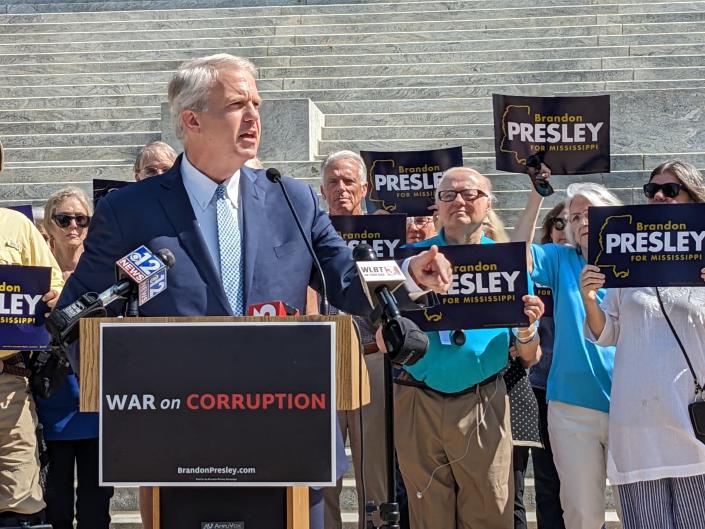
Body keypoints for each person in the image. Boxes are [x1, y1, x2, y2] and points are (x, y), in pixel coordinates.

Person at [56, 53, 452, 529]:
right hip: (177, 446)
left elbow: (346, 279)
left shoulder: (293, 198)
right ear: (192, 119)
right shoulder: (129, 211)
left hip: (289, 437)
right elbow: (76, 318)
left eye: (257, 104)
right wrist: (128, 405)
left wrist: (409, 274)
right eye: (238, 104)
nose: (253, 117)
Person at [392, 167, 543, 529]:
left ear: (489, 203)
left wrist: (527, 328)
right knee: (428, 516)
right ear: (436, 208)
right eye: (448, 195)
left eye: (470, 194)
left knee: (491, 511)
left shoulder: (510, 262)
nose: (459, 201)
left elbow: (530, 356)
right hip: (417, 400)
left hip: (483, 401)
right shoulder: (409, 260)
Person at [580, 160, 705, 529]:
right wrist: (589, 297)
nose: (660, 196)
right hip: (637, 427)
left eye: (671, 189)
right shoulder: (626, 260)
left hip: (693, 424)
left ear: (694, 197)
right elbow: (607, 334)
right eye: (653, 191)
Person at [511, 180, 622, 529]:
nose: (580, 221)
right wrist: (535, 196)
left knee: (638, 511)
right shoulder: (562, 259)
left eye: (588, 212)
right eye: (574, 217)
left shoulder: (637, 256)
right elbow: (515, 254)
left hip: (632, 404)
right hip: (572, 408)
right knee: (582, 516)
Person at [34, 188, 114, 529]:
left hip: (95, 397)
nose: (73, 226)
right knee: (57, 506)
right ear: (48, 227)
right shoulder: (34, 272)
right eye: (63, 218)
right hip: (52, 397)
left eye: (81, 219)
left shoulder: (106, 270)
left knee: (96, 507)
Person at [317, 150, 388, 529]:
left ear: (365, 188)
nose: (341, 189)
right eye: (333, 182)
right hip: (320, 362)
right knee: (322, 473)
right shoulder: (308, 234)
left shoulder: (383, 236)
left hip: (370, 357)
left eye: (348, 182)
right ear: (321, 189)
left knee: (373, 471)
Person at [0, 142, 64, 527]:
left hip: (8, 383)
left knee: (20, 498)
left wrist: (53, 296)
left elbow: (52, 284)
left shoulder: (17, 226)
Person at [526, 202, 568, 529]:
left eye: (576, 221)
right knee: (547, 479)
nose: (565, 229)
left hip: (592, 389)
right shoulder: (538, 269)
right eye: (559, 222)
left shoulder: (600, 269)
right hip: (542, 387)